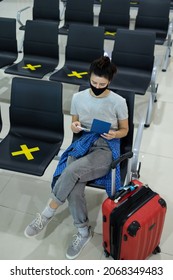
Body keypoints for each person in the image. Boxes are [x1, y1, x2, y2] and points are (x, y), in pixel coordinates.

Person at [24, 56, 129, 260]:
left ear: (109, 82)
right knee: (74, 188)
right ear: (89, 77)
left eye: (102, 84)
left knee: (70, 171)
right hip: (83, 143)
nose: (97, 87)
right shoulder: (78, 98)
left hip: (105, 147)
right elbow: (74, 124)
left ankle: (47, 212)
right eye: (94, 82)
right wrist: (74, 127)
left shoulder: (118, 101)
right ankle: (83, 232)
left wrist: (114, 134)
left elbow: (124, 130)